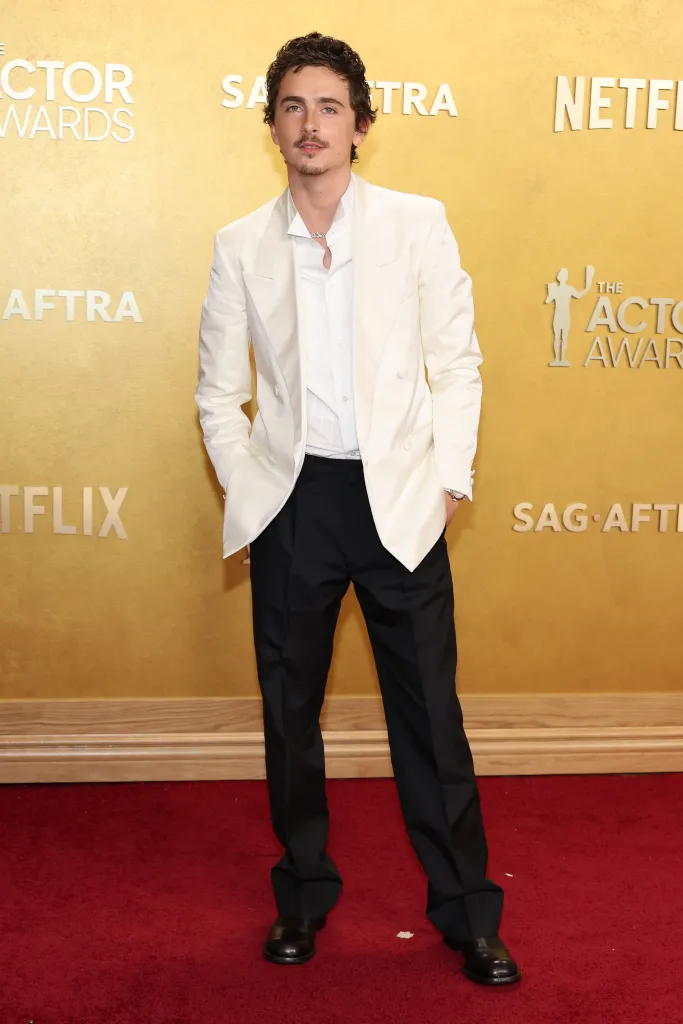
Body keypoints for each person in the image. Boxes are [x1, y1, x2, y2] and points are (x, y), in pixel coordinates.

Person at [195, 31, 520, 987]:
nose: (311, 123)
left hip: (400, 501)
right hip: (294, 503)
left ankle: (468, 915)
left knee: (430, 719)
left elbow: (454, 363)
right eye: (292, 105)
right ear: (272, 126)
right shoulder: (239, 246)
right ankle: (300, 897)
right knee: (289, 717)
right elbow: (219, 392)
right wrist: (252, 490)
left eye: (329, 106)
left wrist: (449, 477)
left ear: (360, 126)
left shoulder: (417, 225)